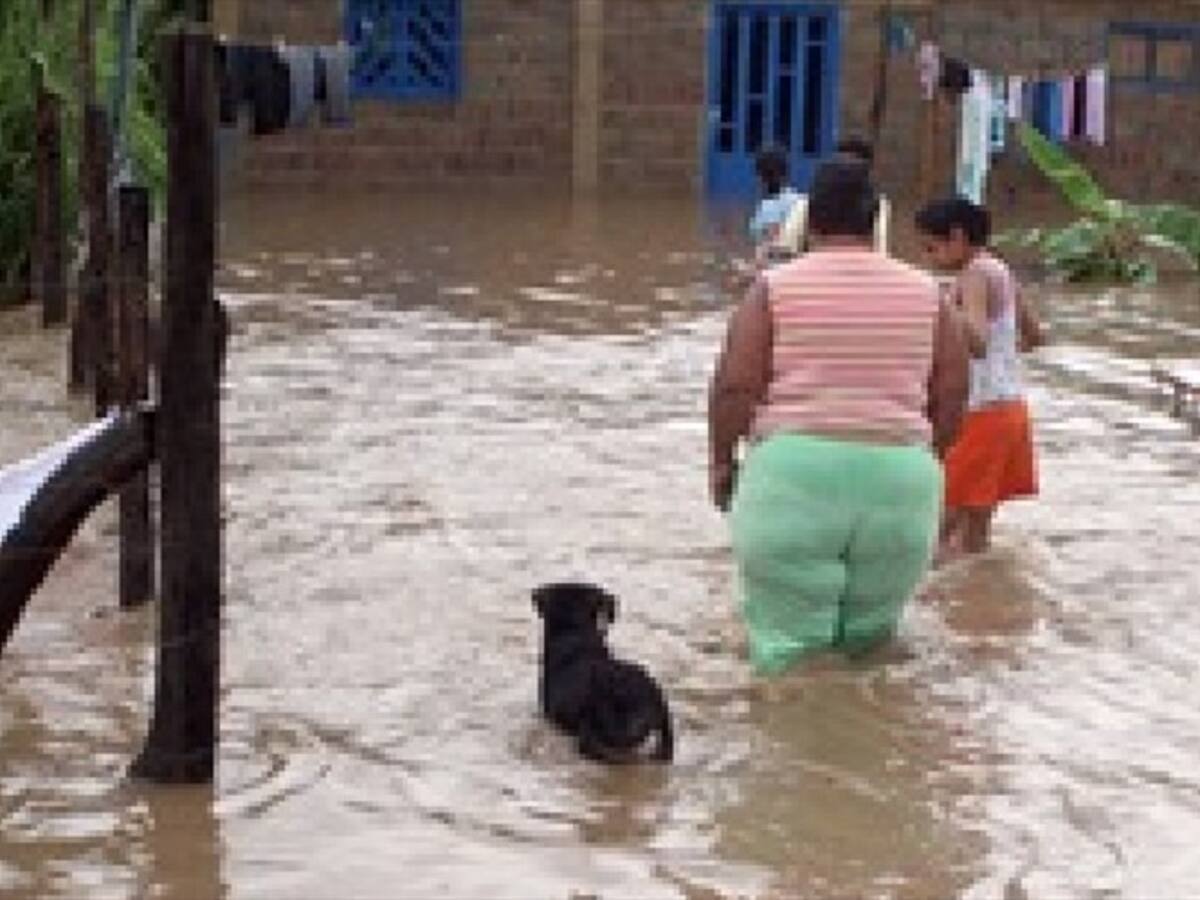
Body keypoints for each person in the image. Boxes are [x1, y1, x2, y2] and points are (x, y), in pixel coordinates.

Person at [708, 159, 970, 675]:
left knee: (788, 653)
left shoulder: (775, 287)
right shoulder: (928, 293)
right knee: (872, 651)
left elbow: (736, 386)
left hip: (794, 476)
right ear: (875, 221)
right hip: (902, 481)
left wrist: (722, 462)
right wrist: (926, 459)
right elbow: (953, 391)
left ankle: (801, 752)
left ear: (811, 223)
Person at [915, 197, 1044, 557]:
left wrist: (938, 302)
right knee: (976, 535)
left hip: (980, 413)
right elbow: (1035, 336)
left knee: (939, 529)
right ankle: (978, 602)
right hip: (1010, 409)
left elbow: (977, 341)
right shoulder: (1000, 270)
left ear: (957, 237)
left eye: (931, 247)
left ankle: (936, 604)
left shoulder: (973, 275)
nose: (929, 257)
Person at [773, 137, 892, 257]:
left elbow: (880, 247)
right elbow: (788, 246)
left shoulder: (877, 206)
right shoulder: (805, 205)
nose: (845, 169)